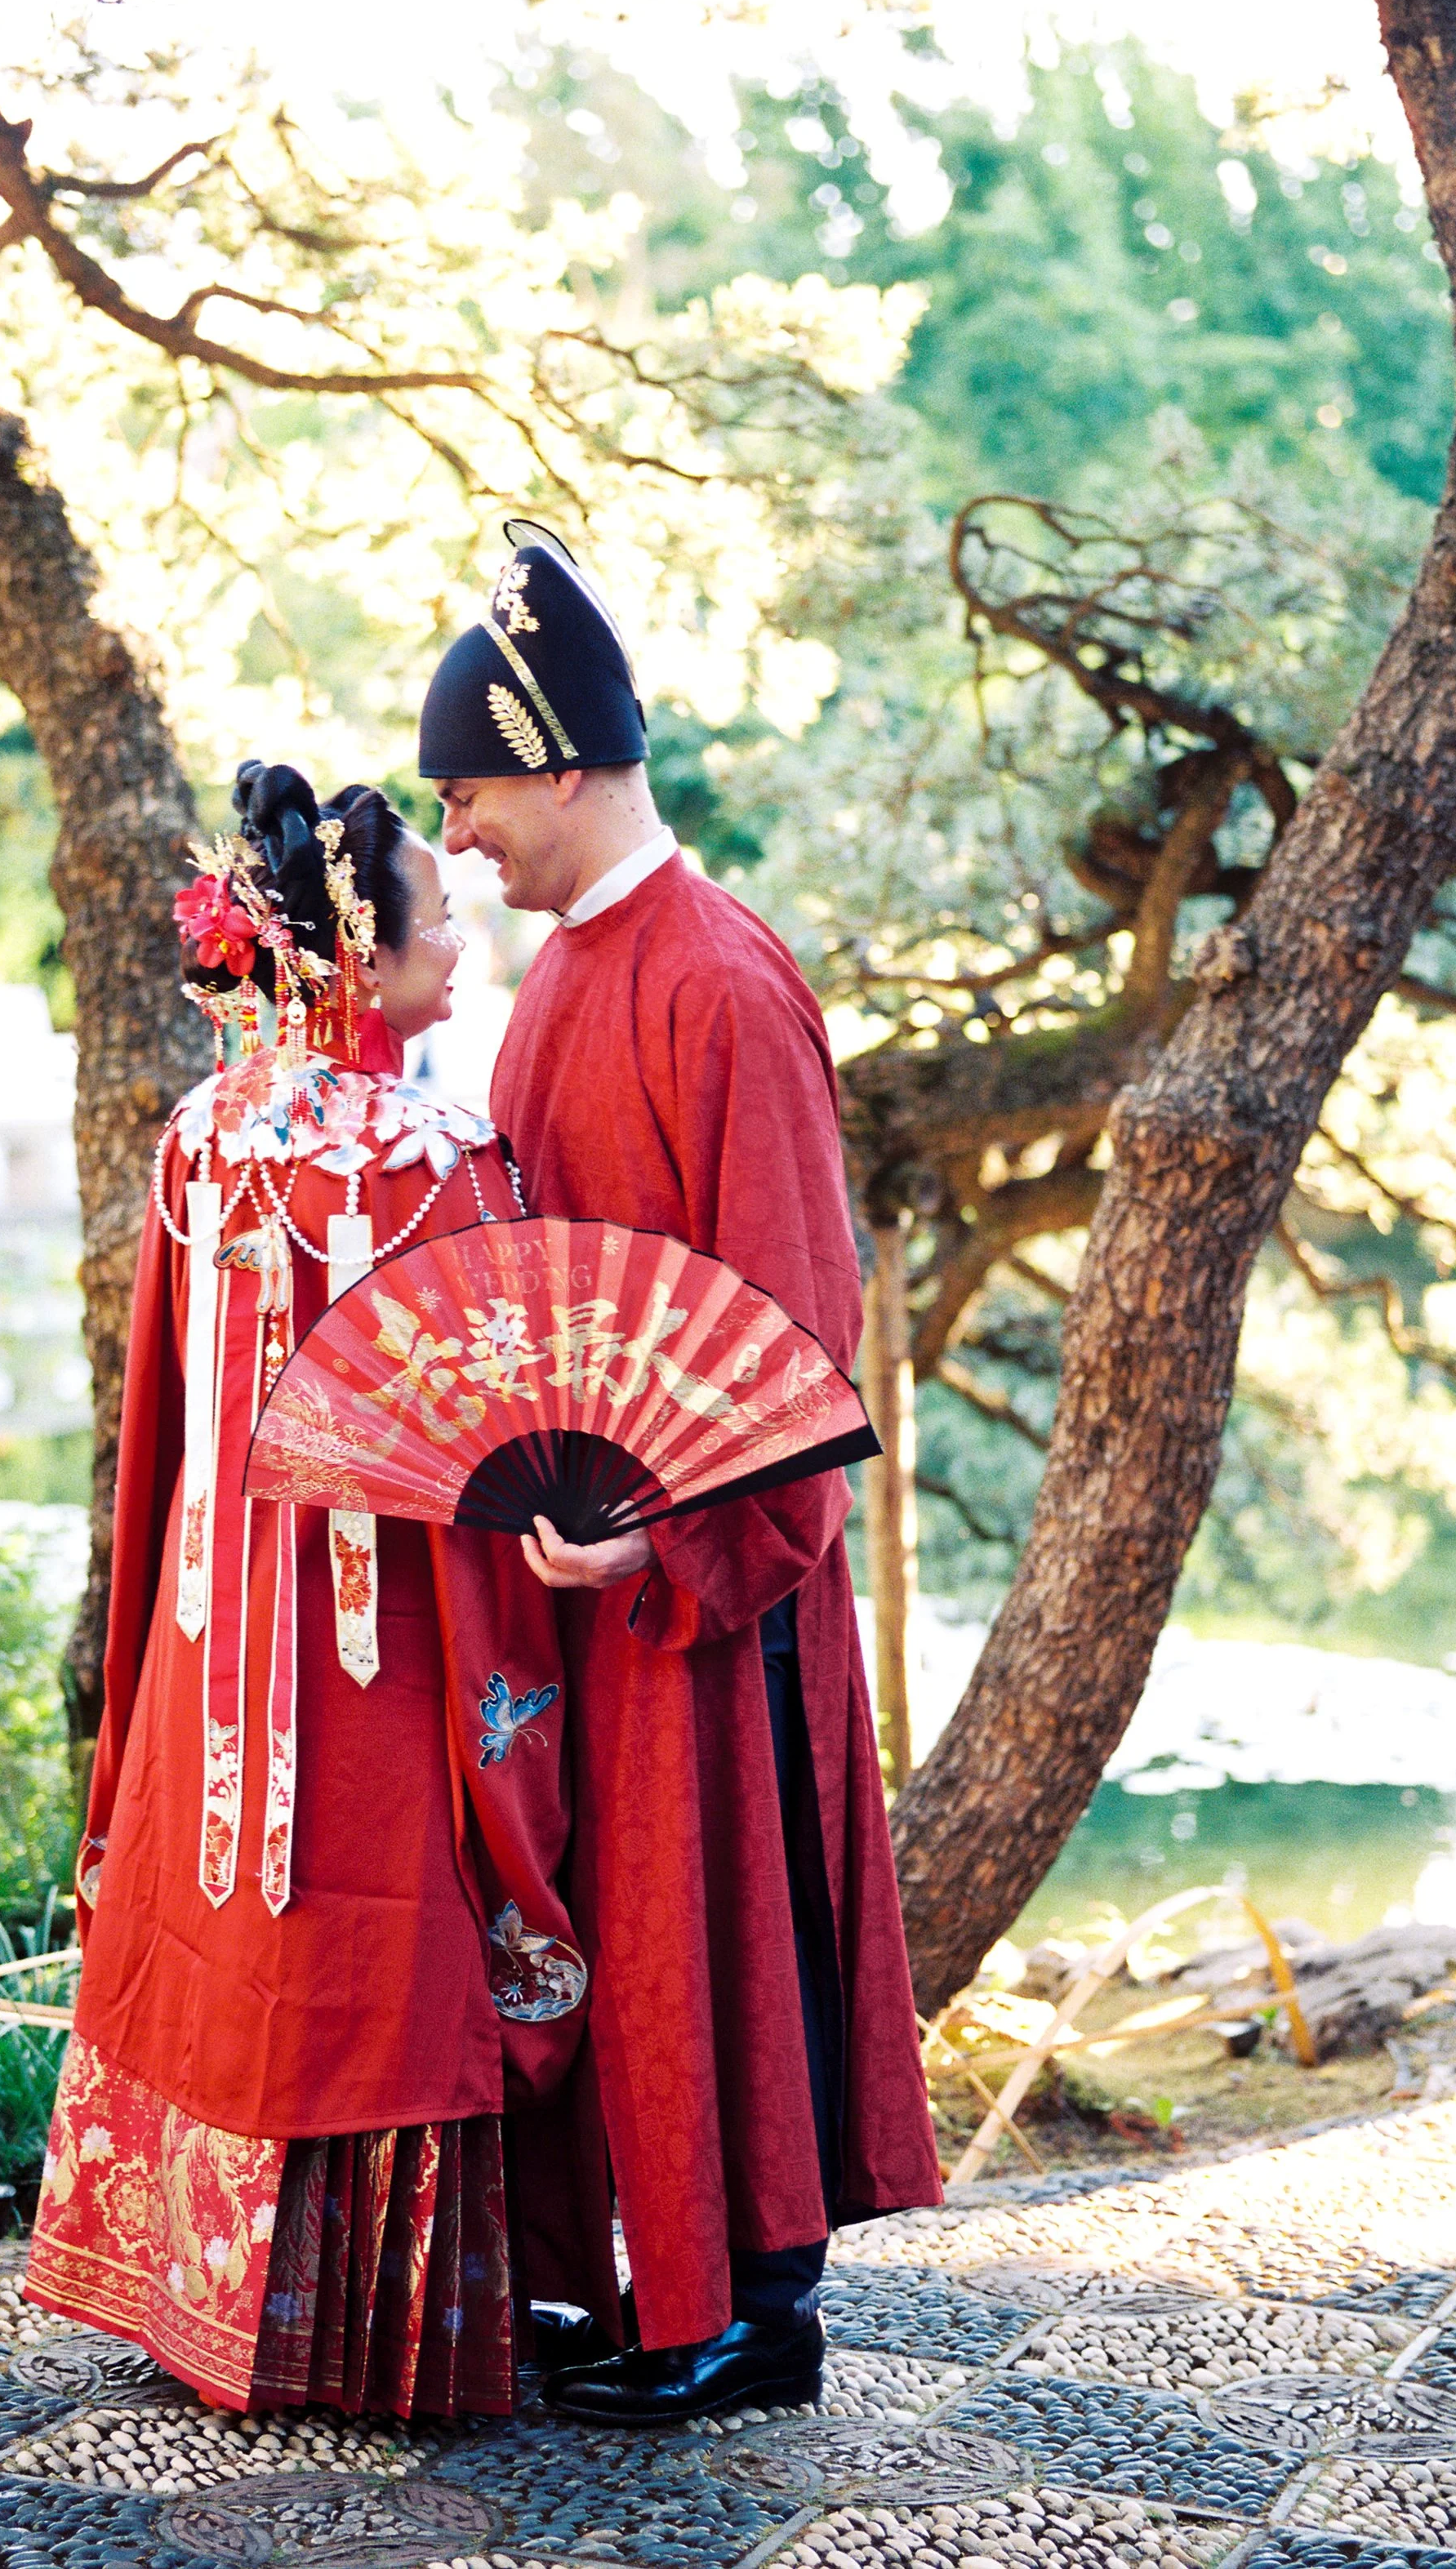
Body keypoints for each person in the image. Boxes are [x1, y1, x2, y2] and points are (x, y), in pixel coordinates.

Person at [418, 523, 943, 2426]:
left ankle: (756, 2313)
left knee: (717, 1929)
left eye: (468, 791)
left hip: (714, 1572)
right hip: (586, 1558)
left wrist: (680, 1532)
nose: (455, 834)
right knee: (618, 1941)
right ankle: (643, 2283)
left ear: (559, 763)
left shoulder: (718, 980)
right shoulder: (562, 978)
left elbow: (799, 1323)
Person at [24, 761, 586, 2422]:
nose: (462, 926)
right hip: (386, 1635)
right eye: (433, 906)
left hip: (217, 1629)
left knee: (237, 1915)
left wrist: (160, 1623)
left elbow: (158, 1426)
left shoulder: (201, 1136)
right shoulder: (445, 1157)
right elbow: (506, 1443)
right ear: (352, 951)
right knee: (383, 1933)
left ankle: (209, 2306)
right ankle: (372, 2329)